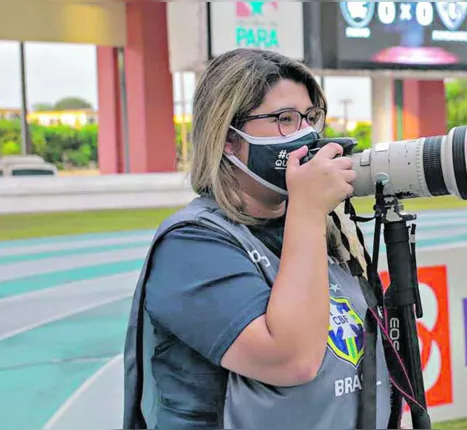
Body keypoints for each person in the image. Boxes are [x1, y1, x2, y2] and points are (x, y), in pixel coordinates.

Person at [121, 48, 399, 430]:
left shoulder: (319, 229)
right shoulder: (190, 246)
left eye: (310, 118)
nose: (305, 134)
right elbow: (291, 360)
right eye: (284, 119)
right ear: (228, 139)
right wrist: (307, 210)